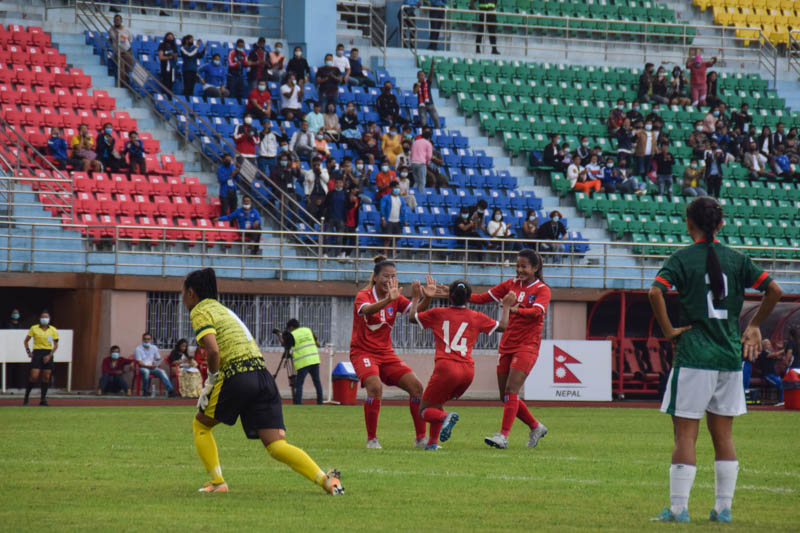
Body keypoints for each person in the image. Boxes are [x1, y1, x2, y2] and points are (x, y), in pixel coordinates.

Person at [648, 196, 782, 523]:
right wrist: (752, 326)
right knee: (723, 436)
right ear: (720, 224)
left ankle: (679, 510)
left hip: (694, 355)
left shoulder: (682, 258)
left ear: (688, 223)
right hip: (728, 357)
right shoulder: (737, 259)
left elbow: (655, 292)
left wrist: (668, 330)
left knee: (685, 435)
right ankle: (723, 509)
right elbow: (774, 291)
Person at [183, 268, 343, 494]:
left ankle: (218, 482)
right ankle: (326, 480)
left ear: (191, 293)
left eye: (183, 293)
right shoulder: (224, 310)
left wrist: (211, 380)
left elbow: (213, 350)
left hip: (237, 374)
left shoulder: (200, 310)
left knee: (201, 426)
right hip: (262, 375)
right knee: (276, 445)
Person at [408, 279, 514, 449]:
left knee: (424, 412)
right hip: (468, 371)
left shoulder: (438, 313)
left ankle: (445, 418)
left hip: (446, 367)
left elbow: (412, 318)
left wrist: (415, 298)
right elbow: (502, 326)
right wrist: (507, 307)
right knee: (437, 402)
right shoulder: (477, 316)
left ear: (449, 297)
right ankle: (432, 443)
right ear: (469, 298)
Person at [469, 249, 551, 449]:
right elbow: (481, 298)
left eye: (524, 266)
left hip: (527, 345)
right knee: (505, 396)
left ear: (535, 268)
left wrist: (510, 308)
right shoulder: (510, 285)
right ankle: (535, 426)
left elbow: (535, 313)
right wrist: (456, 294)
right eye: (517, 265)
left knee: (511, 390)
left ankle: (503, 436)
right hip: (507, 344)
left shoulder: (542, 289)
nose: (519, 270)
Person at [349, 257, 431, 449]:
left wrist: (426, 297)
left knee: (417, 388)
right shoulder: (364, 295)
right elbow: (366, 311)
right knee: (375, 387)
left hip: (386, 354)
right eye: (386, 276)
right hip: (363, 352)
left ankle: (421, 439)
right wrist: (388, 300)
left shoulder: (396, 297)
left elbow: (415, 313)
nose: (389, 280)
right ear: (375, 278)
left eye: (393, 276)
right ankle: (372, 439)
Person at [281, 319, 324, 405]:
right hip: (314, 360)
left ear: (292, 327)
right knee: (317, 382)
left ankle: (299, 403)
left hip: (303, 362)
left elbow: (286, 345)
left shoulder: (292, 335)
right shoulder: (308, 330)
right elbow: (317, 344)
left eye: (289, 328)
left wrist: (281, 336)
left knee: (299, 384)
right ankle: (320, 402)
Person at [22, 310, 58, 406]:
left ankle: (43, 399)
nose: (44, 319)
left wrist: (49, 355)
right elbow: (26, 341)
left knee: (46, 376)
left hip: (47, 353)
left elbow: (55, 345)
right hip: (37, 352)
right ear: (40, 318)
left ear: (49, 319)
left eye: (46, 317)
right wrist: (29, 352)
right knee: (34, 376)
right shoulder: (34, 328)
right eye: (43, 317)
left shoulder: (53, 330)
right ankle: (26, 397)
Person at [135, 332, 177, 397]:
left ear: (151, 340)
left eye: (148, 339)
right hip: (143, 367)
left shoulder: (154, 347)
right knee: (146, 372)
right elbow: (139, 362)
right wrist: (149, 366)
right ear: (142, 340)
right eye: (145, 339)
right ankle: (145, 391)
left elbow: (158, 358)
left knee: (162, 372)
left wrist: (157, 362)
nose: (147, 341)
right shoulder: (138, 349)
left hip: (152, 367)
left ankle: (170, 390)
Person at [380, 182, 407, 254]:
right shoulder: (386, 198)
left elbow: (403, 211)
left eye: (398, 188)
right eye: (396, 188)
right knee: (387, 240)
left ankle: (394, 256)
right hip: (388, 221)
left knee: (396, 239)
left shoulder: (401, 199)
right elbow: (382, 208)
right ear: (391, 188)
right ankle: (384, 255)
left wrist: (404, 220)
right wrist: (383, 218)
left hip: (397, 222)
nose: (397, 189)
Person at [323, 178, 348, 259]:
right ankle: (325, 253)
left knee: (339, 239)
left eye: (340, 183)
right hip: (331, 218)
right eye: (337, 183)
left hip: (341, 219)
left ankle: (337, 254)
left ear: (343, 184)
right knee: (326, 236)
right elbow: (325, 204)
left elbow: (348, 206)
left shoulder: (345, 194)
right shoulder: (330, 193)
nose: (338, 184)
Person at [755, 340, 784, 405]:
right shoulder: (764, 353)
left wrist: (781, 348)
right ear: (764, 346)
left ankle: (783, 401)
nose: (770, 345)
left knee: (782, 383)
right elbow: (775, 354)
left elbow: (778, 356)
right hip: (767, 376)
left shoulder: (769, 352)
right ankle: (781, 401)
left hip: (773, 375)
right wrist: (785, 349)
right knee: (779, 383)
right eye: (768, 344)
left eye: (770, 344)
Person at [413, 62, 440, 129]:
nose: (422, 76)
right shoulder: (416, 84)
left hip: (430, 104)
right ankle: (425, 134)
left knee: (436, 119)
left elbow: (431, 75)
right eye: (420, 75)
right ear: (417, 77)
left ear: (425, 76)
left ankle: (436, 131)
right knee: (423, 122)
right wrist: (418, 86)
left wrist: (432, 66)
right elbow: (414, 92)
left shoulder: (428, 82)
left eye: (423, 75)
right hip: (422, 106)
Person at [109, 15, 134, 84]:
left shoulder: (127, 30)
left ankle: (129, 83)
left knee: (128, 69)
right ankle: (123, 84)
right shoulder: (111, 30)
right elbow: (110, 39)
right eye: (115, 20)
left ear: (121, 21)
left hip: (127, 51)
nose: (117, 21)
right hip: (118, 52)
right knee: (120, 69)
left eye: (118, 20)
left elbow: (130, 40)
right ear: (113, 21)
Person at [180, 34, 204, 99]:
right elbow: (189, 54)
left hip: (194, 70)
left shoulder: (194, 48)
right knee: (187, 86)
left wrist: (204, 50)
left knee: (192, 87)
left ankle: (190, 99)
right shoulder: (182, 48)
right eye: (191, 40)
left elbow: (199, 56)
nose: (193, 41)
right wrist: (197, 47)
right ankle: (185, 99)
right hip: (187, 69)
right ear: (187, 40)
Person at [411, 127, 433, 193]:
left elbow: (411, 153)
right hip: (421, 163)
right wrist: (427, 163)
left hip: (413, 162)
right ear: (429, 137)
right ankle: (420, 196)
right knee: (422, 182)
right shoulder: (428, 143)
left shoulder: (415, 142)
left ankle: (413, 194)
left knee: (416, 181)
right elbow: (429, 156)